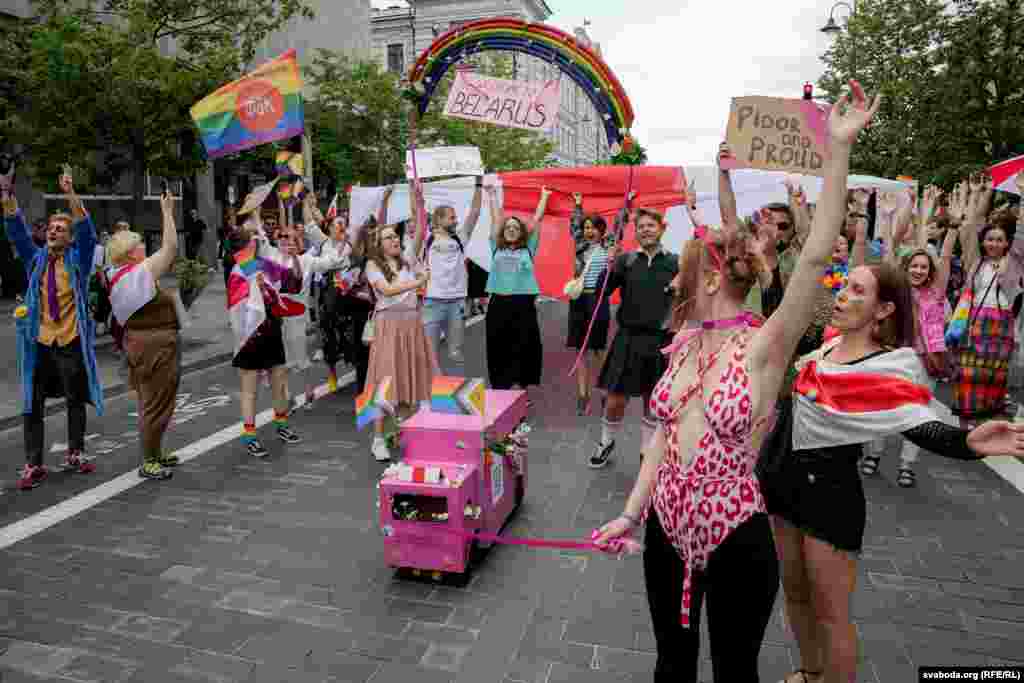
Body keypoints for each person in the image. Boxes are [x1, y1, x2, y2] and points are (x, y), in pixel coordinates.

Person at [591, 79, 882, 683]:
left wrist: (839, 152)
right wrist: (629, 513)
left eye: (682, 272)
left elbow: (814, 255)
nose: (671, 283)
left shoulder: (764, 347)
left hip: (735, 536)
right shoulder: (683, 347)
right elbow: (661, 445)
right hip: (667, 528)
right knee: (671, 666)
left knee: (732, 671)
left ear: (709, 278)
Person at [3, 170, 102, 490]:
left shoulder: (79, 261)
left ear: (69, 238)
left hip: (70, 339)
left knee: (75, 398)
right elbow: (17, 232)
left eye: (60, 229)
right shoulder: (36, 260)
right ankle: (33, 463)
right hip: (41, 341)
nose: (53, 232)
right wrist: (7, 196)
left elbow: (87, 232)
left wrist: (70, 192)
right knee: (32, 403)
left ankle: (75, 451)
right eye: (51, 228)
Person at [858, 202, 959, 488]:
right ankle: (873, 455)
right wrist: (898, 214)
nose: (918, 270)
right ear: (906, 268)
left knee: (918, 413)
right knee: (882, 409)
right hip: (893, 357)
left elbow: (947, 257)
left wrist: (951, 230)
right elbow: (890, 249)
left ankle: (907, 464)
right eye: (913, 265)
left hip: (926, 361)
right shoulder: (897, 290)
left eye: (924, 267)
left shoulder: (936, 293)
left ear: (930, 272)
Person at [590, 205, 679, 469]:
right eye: (641, 227)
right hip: (627, 338)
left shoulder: (675, 263)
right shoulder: (626, 261)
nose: (646, 230)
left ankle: (646, 450)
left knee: (653, 400)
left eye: (651, 225)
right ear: (635, 232)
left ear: (662, 229)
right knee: (616, 398)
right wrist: (608, 267)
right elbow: (602, 292)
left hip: (661, 341)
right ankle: (606, 441)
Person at [106, 190, 184, 479]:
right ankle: (150, 459)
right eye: (139, 244)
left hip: (144, 345)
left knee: (154, 401)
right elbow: (171, 247)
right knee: (154, 403)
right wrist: (166, 212)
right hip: (154, 346)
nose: (144, 247)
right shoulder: (136, 273)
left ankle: (155, 452)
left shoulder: (120, 275)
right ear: (129, 253)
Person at [227, 212, 304, 458]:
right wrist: (259, 291)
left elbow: (292, 283)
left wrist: (293, 260)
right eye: (256, 235)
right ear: (249, 243)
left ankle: (281, 424)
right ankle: (250, 435)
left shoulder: (264, 264)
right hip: (251, 336)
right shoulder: (239, 270)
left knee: (279, 381)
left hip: (271, 329)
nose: (260, 238)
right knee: (250, 389)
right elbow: (238, 308)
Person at [949, 175, 1024, 426]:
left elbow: (1022, 232)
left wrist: (1022, 195)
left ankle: (984, 429)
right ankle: (964, 430)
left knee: (992, 381)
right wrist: (983, 193)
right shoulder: (975, 261)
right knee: (968, 377)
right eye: (990, 239)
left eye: (999, 239)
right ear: (983, 241)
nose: (993, 243)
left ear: (1007, 243)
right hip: (974, 326)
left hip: (1001, 330)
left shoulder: (1013, 263)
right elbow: (972, 225)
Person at [365, 223, 436, 462]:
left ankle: (402, 432)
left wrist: (418, 201)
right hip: (389, 327)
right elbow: (388, 290)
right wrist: (418, 282)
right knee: (385, 382)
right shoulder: (373, 265)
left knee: (408, 379)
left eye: (395, 236)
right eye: (387, 238)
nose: (394, 240)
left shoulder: (407, 260)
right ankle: (377, 439)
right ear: (379, 245)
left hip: (411, 325)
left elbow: (421, 227)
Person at [484, 185, 551, 401]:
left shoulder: (528, 249)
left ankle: (520, 392)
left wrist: (544, 197)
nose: (511, 229)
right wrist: (492, 195)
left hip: (523, 306)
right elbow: (496, 221)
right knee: (498, 347)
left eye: (515, 227)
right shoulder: (496, 247)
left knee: (523, 347)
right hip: (498, 305)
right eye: (508, 227)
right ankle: (501, 391)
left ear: (521, 232)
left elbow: (535, 221)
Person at [280, 195, 346, 411]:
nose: (289, 243)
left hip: (298, 317)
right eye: (284, 239)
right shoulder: (273, 261)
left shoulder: (307, 260)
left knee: (300, 358)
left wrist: (331, 243)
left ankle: (308, 391)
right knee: (282, 360)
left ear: (298, 243)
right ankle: (288, 395)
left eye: (292, 240)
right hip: (278, 319)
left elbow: (331, 261)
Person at [409, 179, 483, 365]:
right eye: (451, 217)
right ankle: (430, 391)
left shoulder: (460, 238)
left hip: (457, 301)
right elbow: (416, 216)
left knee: (455, 353)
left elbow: (474, 213)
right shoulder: (428, 238)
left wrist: (479, 185)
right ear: (439, 219)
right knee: (429, 353)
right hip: (433, 301)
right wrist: (413, 189)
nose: (456, 220)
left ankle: (456, 392)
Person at [567, 193, 614, 415]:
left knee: (599, 350)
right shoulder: (579, 245)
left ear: (601, 230)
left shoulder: (609, 246)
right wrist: (578, 204)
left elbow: (622, 223)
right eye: (586, 227)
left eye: (593, 227)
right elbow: (574, 223)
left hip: (599, 300)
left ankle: (604, 391)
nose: (588, 231)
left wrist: (629, 202)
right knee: (581, 350)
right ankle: (582, 396)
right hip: (579, 300)